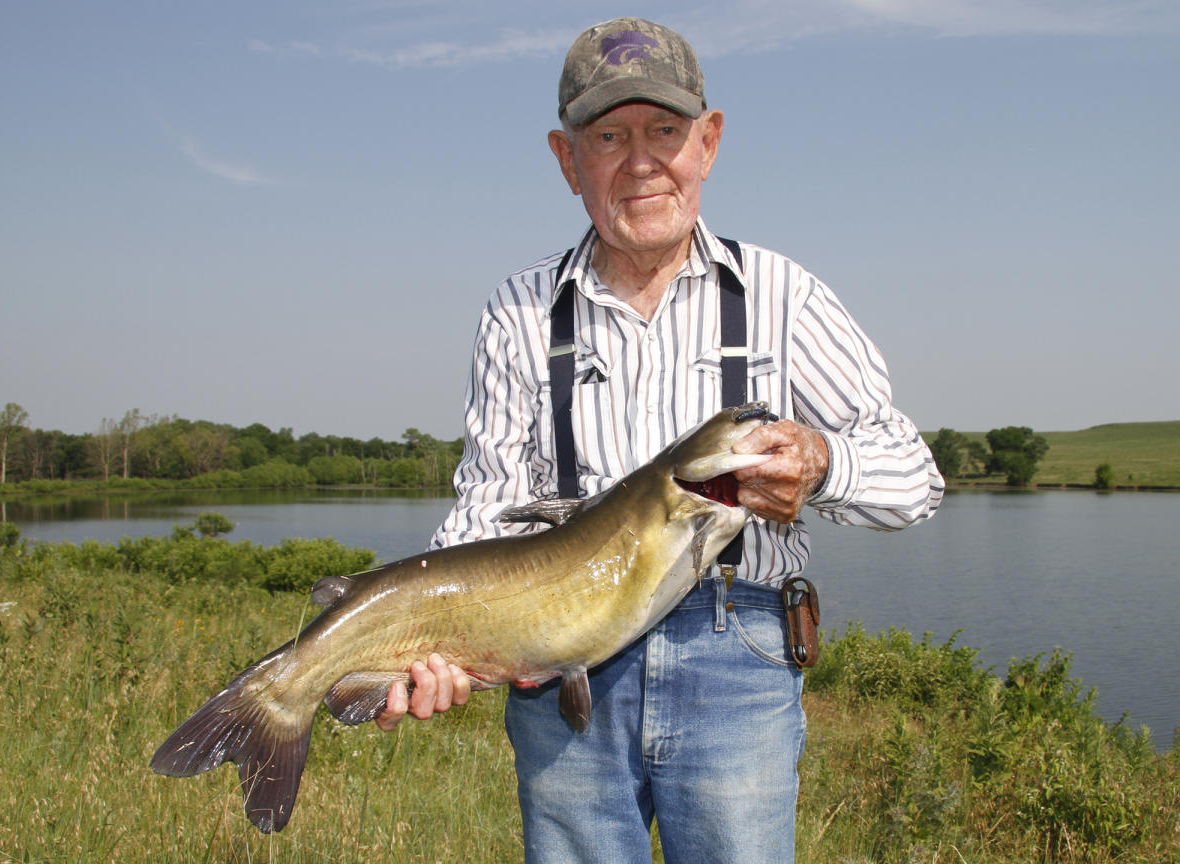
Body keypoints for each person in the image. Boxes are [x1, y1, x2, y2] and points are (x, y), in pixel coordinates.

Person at [375, 16, 944, 864]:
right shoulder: (520, 312)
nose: (640, 161)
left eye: (665, 131)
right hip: (559, 669)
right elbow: (486, 506)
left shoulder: (784, 295)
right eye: (608, 135)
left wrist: (822, 463)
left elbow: (916, 481)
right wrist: (426, 646)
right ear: (568, 161)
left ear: (708, 143)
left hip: (739, 655)